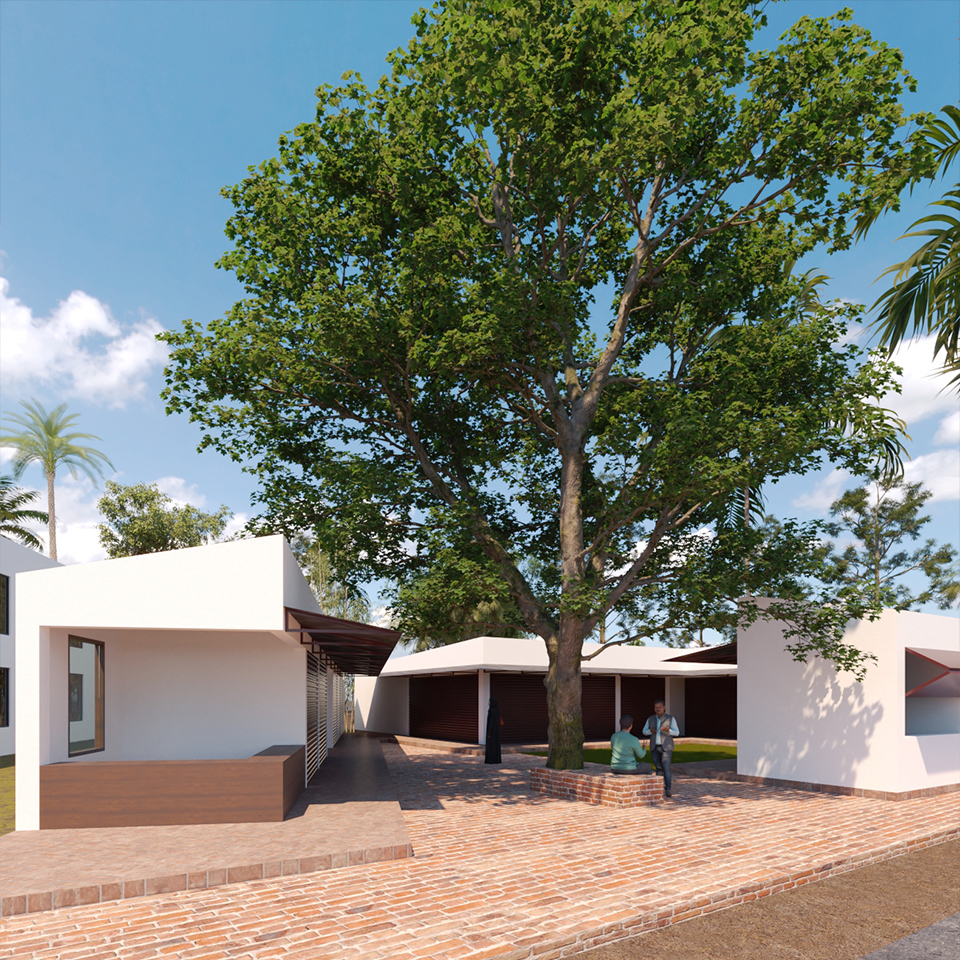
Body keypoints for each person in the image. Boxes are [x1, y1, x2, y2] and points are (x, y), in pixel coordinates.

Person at [642, 699, 679, 797]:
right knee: (658, 768)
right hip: (655, 747)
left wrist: (668, 731)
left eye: (660, 707)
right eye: (656, 708)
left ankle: (668, 788)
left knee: (666, 767)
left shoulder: (671, 719)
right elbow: (644, 731)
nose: (658, 709)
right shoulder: (650, 719)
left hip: (666, 747)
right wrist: (650, 731)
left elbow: (677, 732)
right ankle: (658, 789)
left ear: (664, 708)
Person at [484, 697, 502, 764]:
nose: (489, 703)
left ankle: (490, 759)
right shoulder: (497, 710)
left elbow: (491, 722)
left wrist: (489, 732)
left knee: (491, 745)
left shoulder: (491, 710)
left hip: (491, 731)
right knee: (496, 745)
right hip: (496, 731)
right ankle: (496, 759)